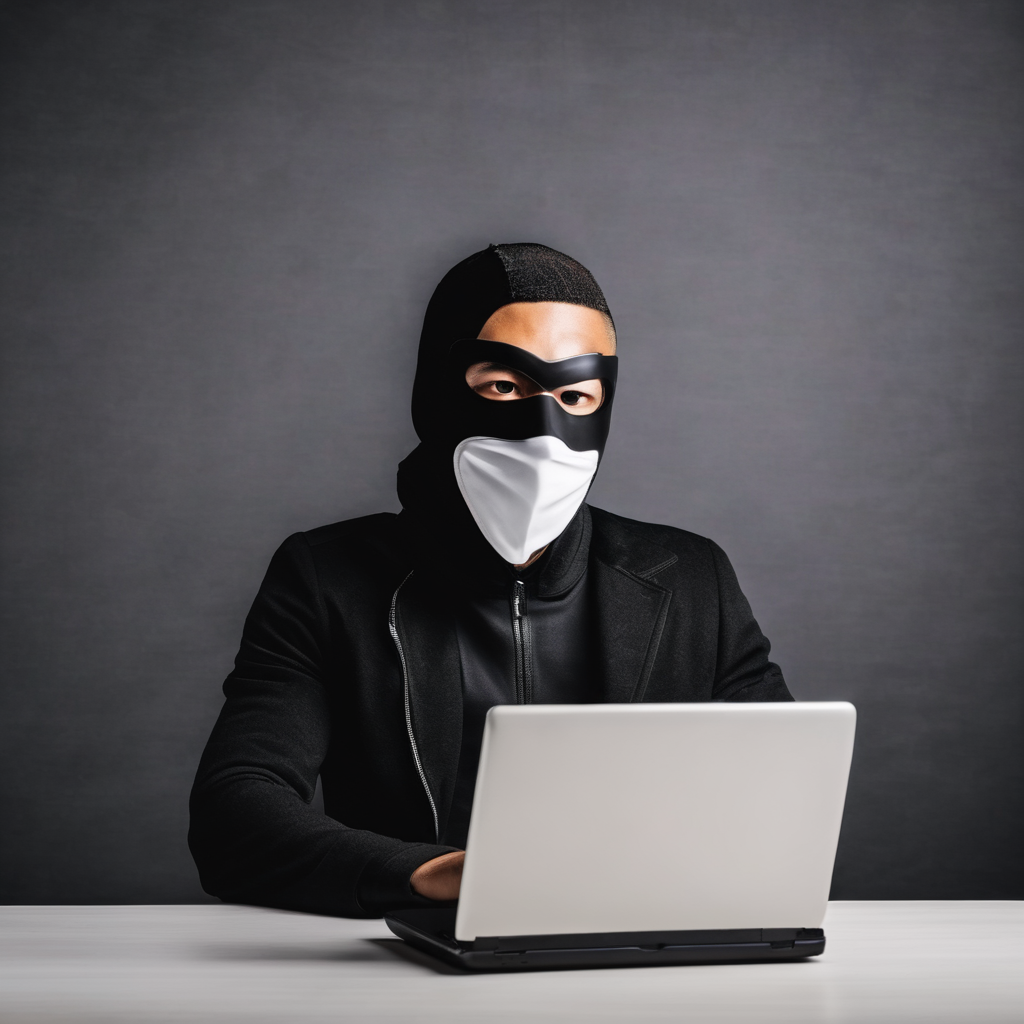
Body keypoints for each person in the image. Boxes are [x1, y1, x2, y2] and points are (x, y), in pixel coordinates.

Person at [189, 243, 792, 916]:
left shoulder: (690, 580)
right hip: (409, 963)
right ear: (438, 390)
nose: (543, 432)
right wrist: (434, 875)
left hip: (639, 950)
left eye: (575, 394)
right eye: (504, 387)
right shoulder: (327, 579)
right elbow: (236, 815)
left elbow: (783, 793)